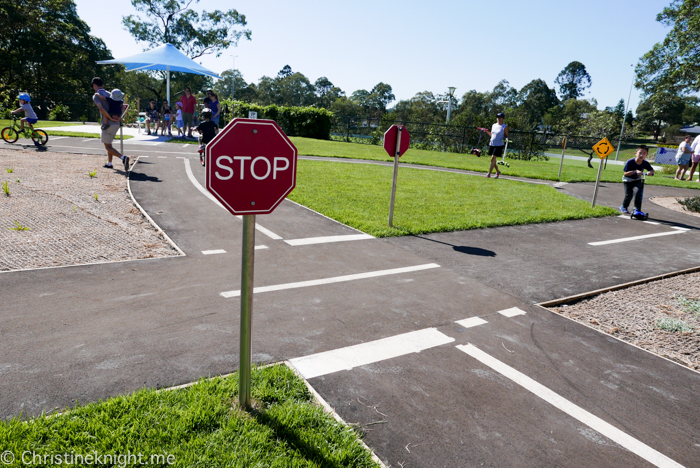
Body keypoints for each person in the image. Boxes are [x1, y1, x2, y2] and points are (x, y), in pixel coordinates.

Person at [90, 77, 129, 171]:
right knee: (109, 144)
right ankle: (109, 163)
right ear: (102, 85)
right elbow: (123, 106)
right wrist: (119, 117)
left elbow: (101, 109)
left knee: (107, 146)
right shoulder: (110, 93)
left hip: (108, 123)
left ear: (95, 85)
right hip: (116, 123)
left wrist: (110, 117)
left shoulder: (96, 96)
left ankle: (123, 158)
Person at [620, 145, 654, 215]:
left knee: (638, 194)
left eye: (644, 153)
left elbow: (651, 170)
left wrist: (650, 172)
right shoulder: (630, 162)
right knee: (629, 195)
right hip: (628, 180)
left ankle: (636, 209)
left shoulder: (645, 163)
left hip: (637, 180)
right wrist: (635, 172)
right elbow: (626, 173)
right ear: (636, 153)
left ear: (647, 154)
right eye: (640, 153)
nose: (642, 155)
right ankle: (624, 206)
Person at [483, 112, 508, 178]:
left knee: (493, 158)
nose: (498, 119)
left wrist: (506, 139)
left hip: (499, 145)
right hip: (492, 143)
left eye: (500, 117)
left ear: (503, 118)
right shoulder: (494, 125)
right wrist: (486, 132)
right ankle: (498, 171)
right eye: (498, 117)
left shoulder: (504, 127)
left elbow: (506, 136)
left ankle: (489, 174)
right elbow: (492, 135)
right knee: (493, 159)